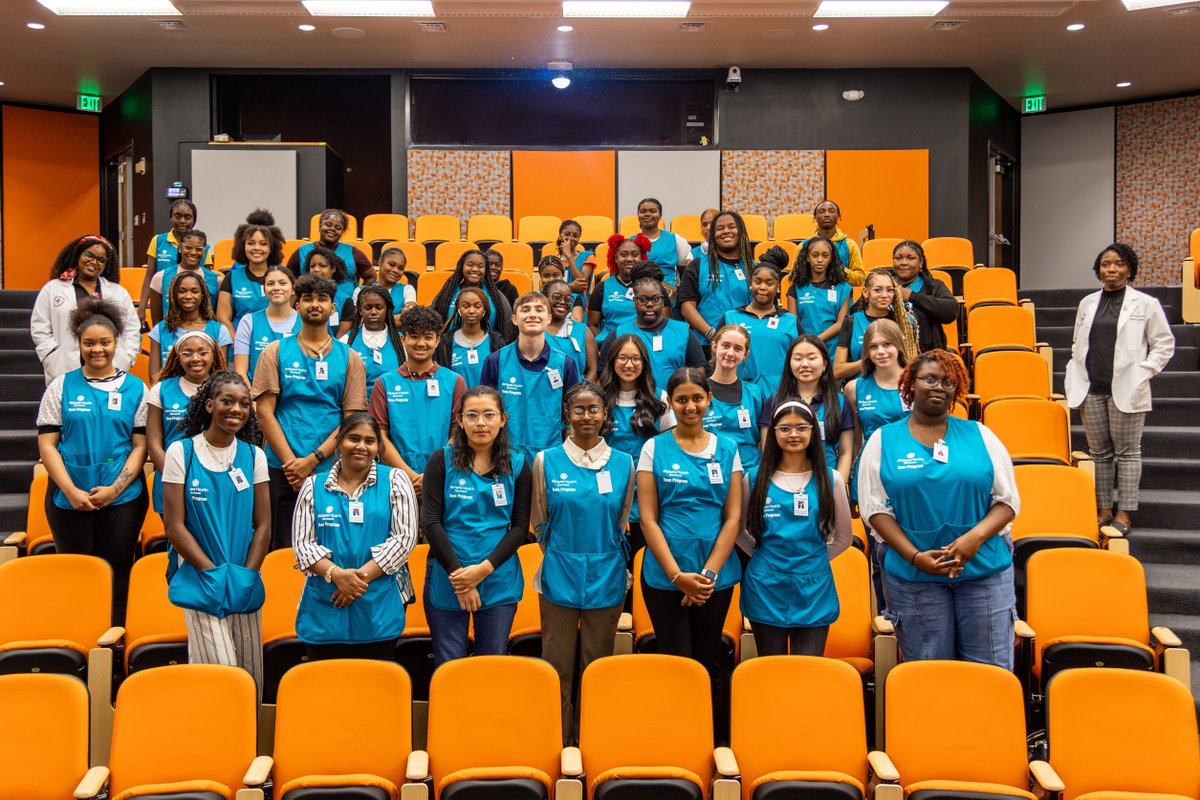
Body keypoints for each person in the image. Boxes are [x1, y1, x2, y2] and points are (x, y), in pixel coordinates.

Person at [858, 350, 1020, 669]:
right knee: (930, 670)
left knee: (989, 670)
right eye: (929, 379)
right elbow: (874, 510)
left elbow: (1007, 501)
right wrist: (916, 557)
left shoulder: (981, 435)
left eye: (947, 382)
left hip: (984, 571)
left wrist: (973, 539)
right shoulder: (882, 441)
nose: (938, 387)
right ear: (910, 385)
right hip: (914, 576)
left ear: (956, 389)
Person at [532, 381, 634, 743]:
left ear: (605, 414)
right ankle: (558, 744)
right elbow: (539, 520)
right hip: (559, 572)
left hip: (606, 573)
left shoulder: (625, 464)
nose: (586, 416)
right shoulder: (545, 461)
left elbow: (622, 519)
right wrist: (564, 553)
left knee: (596, 667)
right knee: (556, 668)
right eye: (579, 409)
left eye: (594, 409)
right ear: (567, 414)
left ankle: (592, 741)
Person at [36, 299, 148, 625]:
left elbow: (140, 446)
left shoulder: (136, 388)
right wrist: (70, 491)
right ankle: (77, 633)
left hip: (123, 498)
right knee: (75, 571)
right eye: (89, 343)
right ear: (79, 345)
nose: (97, 349)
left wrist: (114, 489)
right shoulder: (61, 387)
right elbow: (47, 444)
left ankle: (114, 639)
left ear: (116, 343)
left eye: (104, 342)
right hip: (68, 497)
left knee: (117, 568)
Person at [637, 368, 742, 709]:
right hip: (665, 575)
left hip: (715, 578)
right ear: (670, 402)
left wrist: (707, 575)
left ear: (709, 400)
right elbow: (649, 519)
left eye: (697, 398)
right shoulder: (654, 448)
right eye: (682, 399)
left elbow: (733, 518)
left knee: (709, 660)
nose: (691, 406)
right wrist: (678, 577)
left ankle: (710, 744)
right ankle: (677, 741)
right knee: (677, 663)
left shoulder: (728, 448)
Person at [162, 371, 270, 688]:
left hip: (243, 577)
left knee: (251, 676)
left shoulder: (254, 456)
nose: (236, 409)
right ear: (210, 405)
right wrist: (211, 574)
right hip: (200, 577)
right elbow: (174, 525)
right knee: (223, 674)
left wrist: (247, 576)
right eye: (227, 401)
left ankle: (245, 738)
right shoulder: (181, 452)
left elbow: (263, 525)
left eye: (244, 403)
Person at [1064, 243, 1175, 535]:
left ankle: (1123, 513)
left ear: (1130, 269)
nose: (1111, 270)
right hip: (1091, 388)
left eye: (1118, 264)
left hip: (1127, 387)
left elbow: (1164, 344)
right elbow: (1078, 341)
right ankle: (1102, 510)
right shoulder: (1087, 303)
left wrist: (1144, 371)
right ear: (1098, 269)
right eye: (1105, 264)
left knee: (1127, 453)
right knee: (1099, 453)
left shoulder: (1145, 303)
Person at [252, 274, 368, 549]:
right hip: (282, 469)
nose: (314, 304)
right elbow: (264, 413)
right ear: (296, 304)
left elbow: (351, 420)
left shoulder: (350, 358)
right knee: (281, 548)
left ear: (333, 308)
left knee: (329, 548)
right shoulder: (275, 351)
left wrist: (312, 460)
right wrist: (293, 464)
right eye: (307, 299)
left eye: (322, 299)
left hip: (331, 469)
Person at [292, 413, 419, 660]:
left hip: (379, 604)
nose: (361, 446)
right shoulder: (312, 485)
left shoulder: (396, 480)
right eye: (354, 438)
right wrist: (336, 575)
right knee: (327, 687)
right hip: (324, 603)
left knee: (373, 687)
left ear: (379, 447)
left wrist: (355, 582)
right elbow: (303, 545)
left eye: (369, 441)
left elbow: (404, 539)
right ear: (339, 442)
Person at [420, 386, 532, 666]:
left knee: (491, 665)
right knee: (448, 666)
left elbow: (519, 528)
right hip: (449, 573)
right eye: (472, 415)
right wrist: (460, 577)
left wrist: (482, 570)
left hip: (497, 574)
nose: (480, 422)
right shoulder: (440, 460)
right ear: (459, 420)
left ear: (503, 419)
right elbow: (430, 523)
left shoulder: (518, 465)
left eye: (488, 414)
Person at [740, 401, 852, 656]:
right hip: (765, 586)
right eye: (785, 428)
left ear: (814, 431)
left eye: (802, 427)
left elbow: (844, 537)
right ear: (774, 432)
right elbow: (738, 531)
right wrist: (764, 559)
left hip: (814, 587)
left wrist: (812, 561)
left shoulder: (830, 478)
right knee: (771, 670)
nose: (793, 434)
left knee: (808, 672)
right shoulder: (754, 478)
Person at [845, 319, 912, 609]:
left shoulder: (916, 381)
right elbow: (857, 440)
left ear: (899, 345)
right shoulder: (854, 388)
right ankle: (886, 615)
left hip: (911, 474)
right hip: (872, 476)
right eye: (873, 347)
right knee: (879, 551)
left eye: (887, 344)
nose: (881, 352)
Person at [372, 305, 467, 492]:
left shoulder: (455, 381)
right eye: (414, 336)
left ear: (438, 340)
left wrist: (432, 474)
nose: (421, 343)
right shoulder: (384, 383)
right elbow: (380, 437)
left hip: (443, 477)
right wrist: (410, 476)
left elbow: (459, 433)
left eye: (428, 337)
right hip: (395, 480)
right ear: (402, 339)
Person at [598, 333, 675, 559]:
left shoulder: (660, 399)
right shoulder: (598, 398)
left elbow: (670, 450)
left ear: (644, 363)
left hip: (648, 498)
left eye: (635, 359)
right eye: (622, 358)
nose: (629, 364)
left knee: (643, 563)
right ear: (612, 361)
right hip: (608, 497)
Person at [481, 292, 580, 464]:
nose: (532, 314)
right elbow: (484, 410)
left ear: (548, 318)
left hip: (552, 455)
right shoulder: (495, 361)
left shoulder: (566, 364)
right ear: (514, 319)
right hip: (505, 455)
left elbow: (572, 413)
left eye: (539, 310)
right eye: (525, 309)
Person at [31, 235, 141, 385]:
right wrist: (51, 355)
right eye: (89, 255)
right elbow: (39, 327)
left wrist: (126, 356)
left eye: (101, 260)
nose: (94, 262)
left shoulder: (118, 292)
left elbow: (132, 329)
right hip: (65, 365)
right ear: (78, 255)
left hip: (109, 364)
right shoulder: (53, 289)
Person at [147, 331, 226, 515]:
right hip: (171, 480)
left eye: (202, 352)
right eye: (187, 353)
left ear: (213, 354)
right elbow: (153, 445)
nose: (195, 358)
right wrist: (177, 478)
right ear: (178, 357)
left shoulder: (225, 389)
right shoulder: (161, 390)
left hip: (214, 480)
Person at [762, 335, 854, 486]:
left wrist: (837, 488)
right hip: (783, 485)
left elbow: (846, 452)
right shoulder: (775, 402)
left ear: (824, 364)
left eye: (812, 358)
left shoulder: (840, 402)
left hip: (827, 483)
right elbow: (767, 451)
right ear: (789, 365)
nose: (805, 364)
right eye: (798, 359)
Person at [604, 262, 703, 390]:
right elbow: (605, 374)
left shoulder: (683, 331)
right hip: (633, 404)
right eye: (643, 299)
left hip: (673, 405)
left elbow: (698, 372)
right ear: (634, 302)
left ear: (663, 301)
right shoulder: (619, 334)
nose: (650, 304)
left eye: (655, 299)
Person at [720, 248, 803, 392]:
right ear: (750, 283)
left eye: (769, 283)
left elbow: (802, 358)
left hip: (780, 394)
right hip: (739, 394)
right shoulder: (731, 317)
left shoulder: (790, 322)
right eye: (758, 281)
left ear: (777, 287)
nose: (762, 287)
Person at [677, 210, 753, 347]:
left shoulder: (754, 269)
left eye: (732, 227)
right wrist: (712, 334)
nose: (726, 231)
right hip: (706, 344)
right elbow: (687, 306)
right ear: (712, 235)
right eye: (719, 228)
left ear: (741, 231)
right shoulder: (697, 265)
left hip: (746, 344)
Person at [704, 325, 767, 473]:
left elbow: (763, 441)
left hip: (749, 473)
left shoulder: (755, 394)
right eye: (725, 346)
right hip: (709, 471)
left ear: (746, 354)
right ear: (714, 346)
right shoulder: (698, 392)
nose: (730, 353)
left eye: (738, 349)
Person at [148, 271, 232, 381]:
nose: (188, 296)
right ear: (174, 295)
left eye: (194, 291)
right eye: (182, 291)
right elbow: (154, 377)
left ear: (203, 295)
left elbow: (220, 374)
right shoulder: (160, 330)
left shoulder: (219, 330)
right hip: (169, 395)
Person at [834, 269, 917, 380]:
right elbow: (837, 371)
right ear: (865, 292)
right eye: (877, 290)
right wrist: (868, 361)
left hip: (895, 390)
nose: (884, 295)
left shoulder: (905, 322)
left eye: (889, 290)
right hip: (862, 390)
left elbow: (913, 366)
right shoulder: (852, 321)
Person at [139, 200, 214, 316]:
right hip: (165, 300)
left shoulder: (205, 247)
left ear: (194, 220)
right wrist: (142, 307)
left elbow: (208, 281)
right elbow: (149, 276)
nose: (182, 221)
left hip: (192, 304)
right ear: (171, 217)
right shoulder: (158, 241)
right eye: (177, 216)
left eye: (187, 217)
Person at [216, 210, 285, 336]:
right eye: (250, 243)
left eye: (263, 244)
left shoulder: (282, 277)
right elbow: (222, 317)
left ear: (271, 248)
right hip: (238, 343)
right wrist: (239, 343)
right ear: (243, 246)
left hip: (275, 343)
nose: (256, 248)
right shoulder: (232, 277)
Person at [233, 265, 299, 386]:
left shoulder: (305, 322)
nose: (276, 288)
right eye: (270, 284)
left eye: (283, 283)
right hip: (256, 397)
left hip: (295, 399)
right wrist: (251, 400)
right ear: (264, 290)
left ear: (293, 289)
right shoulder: (248, 321)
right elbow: (240, 371)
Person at [788, 235, 853, 359]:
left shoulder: (843, 288)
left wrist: (817, 340)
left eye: (825, 255)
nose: (820, 260)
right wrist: (806, 343)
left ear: (831, 259)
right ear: (807, 257)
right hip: (804, 348)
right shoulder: (796, 289)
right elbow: (793, 323)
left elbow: (841, 324)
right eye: (815, 255)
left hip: (832, 351)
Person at [891, 240, 959, 354]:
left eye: (910, 258)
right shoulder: (883, 285)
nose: (903, 262)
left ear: (921, 262)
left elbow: (951, 311)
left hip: (926, 356)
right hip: (888, 355)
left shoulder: (933, 286)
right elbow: (859, 310)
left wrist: (913, 296)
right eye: (898, 258)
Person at [431, 249, 514, 340]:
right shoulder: (446, 294)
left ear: (486, 270)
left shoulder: (496, 296)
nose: (475, 269)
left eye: (480, 266)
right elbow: (432, 323)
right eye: (470, 265)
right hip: (450, 350)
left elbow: (507, 329)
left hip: (488, 351)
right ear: (461, 267)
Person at [340, 285, 404, 403]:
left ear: (387, 309)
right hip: (358, 412)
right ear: (359, 310)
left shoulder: (402, 342)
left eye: (379, 307)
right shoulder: (346, 341)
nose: (373, 312)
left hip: (393, 410)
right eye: (368, 308)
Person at [433, 285, 505, 390]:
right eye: (466, 306)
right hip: (456, 404)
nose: (471, 311)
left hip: (487, 404)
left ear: (484, 310)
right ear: (458, 309)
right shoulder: (444, 343)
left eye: (477, 306)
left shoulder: (497, 342)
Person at [148, 228, 221, 327]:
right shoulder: (160, 277)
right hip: (171, 336)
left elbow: (218, 317)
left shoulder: (217, 281)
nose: (193, 252)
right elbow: (156, 321)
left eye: (199, 249)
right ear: (180, 248)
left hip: (204, 337)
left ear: (204, 252)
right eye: (188, 247)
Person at [587, 233, 650, 347]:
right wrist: (605, 344)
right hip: (611, 346)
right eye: (623, 255)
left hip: (644, 346)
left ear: (642, 258)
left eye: (635, 255)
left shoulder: (652, 287)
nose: (629, 259)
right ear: (615, 258)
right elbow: (592, 324)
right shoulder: (602, 287)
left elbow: (663, 323)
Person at [337, 245, 415, 335]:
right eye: (391, 264)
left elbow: (408, 318)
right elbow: (357, 320)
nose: (396, 270)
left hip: (396, 342)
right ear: (380, 262)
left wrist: (372, 320)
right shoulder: (360, 291)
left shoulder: (407, 289)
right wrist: (396, 319)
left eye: (401, 268)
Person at [286, 208, 374, 284]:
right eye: (328, 225)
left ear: (342, 232)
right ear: (320, 227)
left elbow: (371, 276)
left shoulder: (353, 252)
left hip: (346, 302)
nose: (332, 229)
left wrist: (359, 295)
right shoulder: (302, 251)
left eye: (338, 228)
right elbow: (287, 277)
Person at [544, 279, 597, 382]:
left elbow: (593, 370)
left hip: (576, 394)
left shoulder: (583, 331)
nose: (563, 302)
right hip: (543, 394)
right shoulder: (536, 330)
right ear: (544, 298)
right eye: (557, 297)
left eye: (568, 299)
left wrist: (580, 394)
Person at [805, 200, 865, 285]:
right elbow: (793, 278)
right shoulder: (804, 246)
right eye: (822, 211)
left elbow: (860, 279)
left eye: (831, 211)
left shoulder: (850, 245)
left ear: (838, 217)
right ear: (815, 217)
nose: (826, 214)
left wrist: (838, 269)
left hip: (842, 296)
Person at [300, 245, 357, 336]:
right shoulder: (300, 297)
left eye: (322, 266)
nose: (316, 269)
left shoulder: (345, 301)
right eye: (312, 266)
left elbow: (342, 339)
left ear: (333, 269)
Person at [634, 198, 691, 287]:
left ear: (660, 215)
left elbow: (684, 270)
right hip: (638, 292)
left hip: (670, 294)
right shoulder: (630, 242)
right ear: (638, 215)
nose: (647, 214)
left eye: (653, 211)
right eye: (643, 211)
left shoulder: (676, 239)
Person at [552, 219, 597, 307]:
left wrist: (568, 256)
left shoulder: (588, 256)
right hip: (555, 305)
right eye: (567, 234)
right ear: (560, 236)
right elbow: (549, 288)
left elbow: (581, 283)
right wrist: (570, 286)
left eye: (575, 236)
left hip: (578, 305)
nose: (571, 238)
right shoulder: (553, 261)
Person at [537, 256, 585, 322]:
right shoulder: (535, 298)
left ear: (563, 275)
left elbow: (577, 325)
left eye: (556, 275)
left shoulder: (574, 298)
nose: (551, 279)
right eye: (546, 276)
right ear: (540, 277)